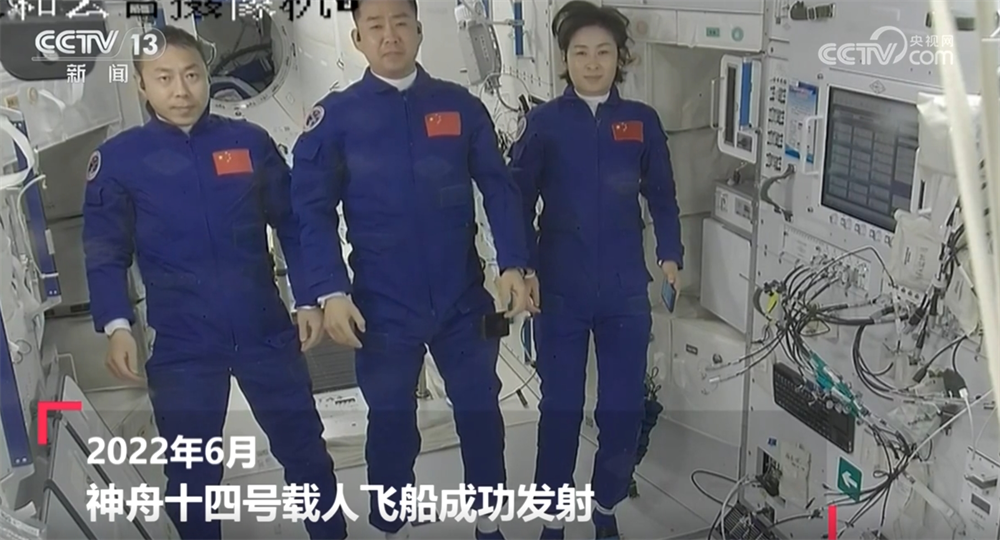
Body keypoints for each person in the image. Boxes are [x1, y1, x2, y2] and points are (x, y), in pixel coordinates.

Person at [82, 25, 347, 540]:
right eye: (164, 78)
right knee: (191, 473)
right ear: (141, 84)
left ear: (207, 76)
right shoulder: (119, 161)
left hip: (264, 329)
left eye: (192, 75)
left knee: (305, 452)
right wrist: (116, 324)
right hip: (183, 341)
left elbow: (292, 224)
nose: (181, 90)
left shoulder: (249, 143)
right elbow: (105, 252)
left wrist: (309, 296)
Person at [289, 0, 530, 538]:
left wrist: (514, 262)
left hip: (461, 297)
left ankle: (488, 519)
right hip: (382, 306)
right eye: (375, 26)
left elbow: (498, 187)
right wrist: (329, 291)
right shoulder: (336, 120)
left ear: (419, 32)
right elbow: (310, 209)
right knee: (391, 421)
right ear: (357, 40)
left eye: (400, 23)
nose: (389, 35)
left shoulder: (459, 107)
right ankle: (391, 520)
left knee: (480, 410)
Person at [508, 2, 684, 539]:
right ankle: (553, 519)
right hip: (560, 289)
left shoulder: (642, 122)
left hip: (625, 291)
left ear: (619, 58)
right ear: (565, 59)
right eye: (580, 52)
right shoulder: (544, 124)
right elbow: (517, 201)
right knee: (560, 410)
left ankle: (605, 506)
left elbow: (663, 196)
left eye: (603, 52)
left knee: (622, 410)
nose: (591, 63)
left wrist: (670, 255)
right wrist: (522, 266)